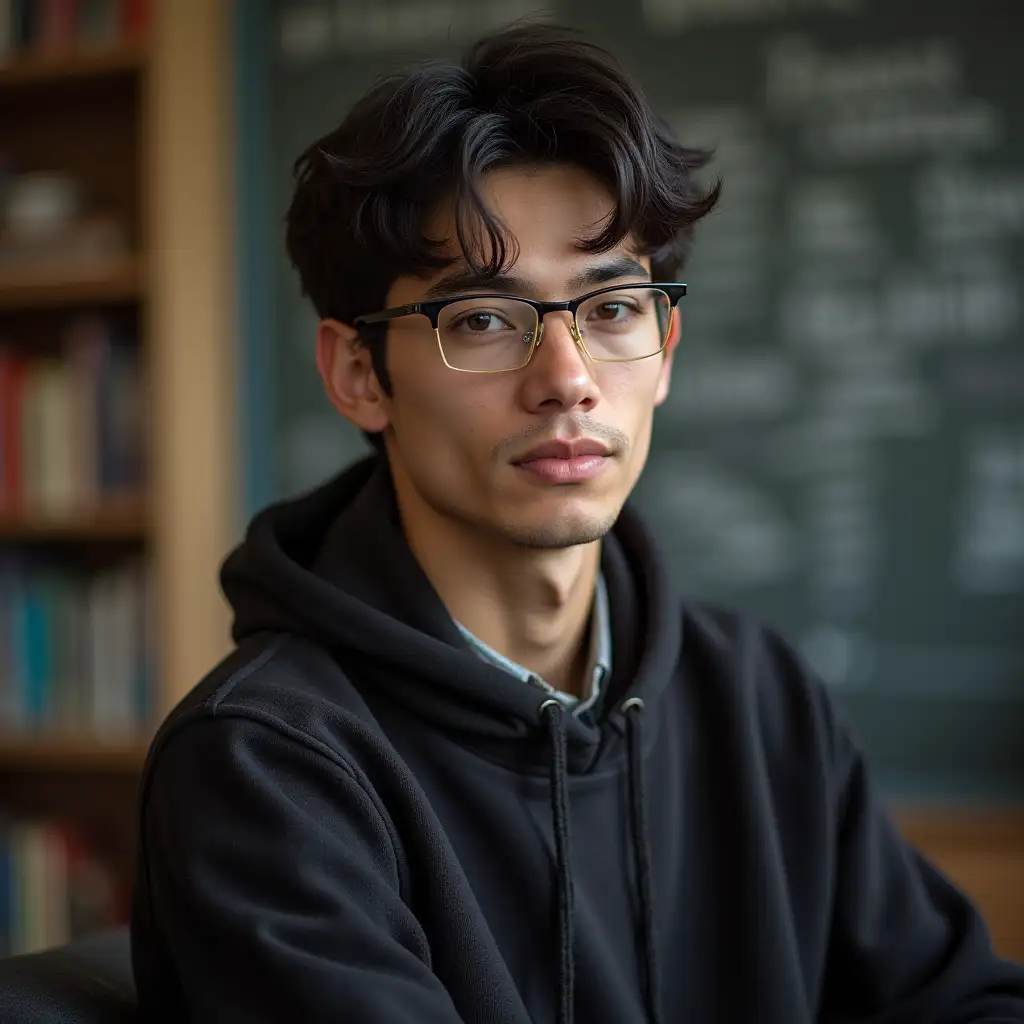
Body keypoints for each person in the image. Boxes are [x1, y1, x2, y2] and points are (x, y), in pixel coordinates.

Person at [130, 21, 1024, 1024]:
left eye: (610, 312)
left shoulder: (758, 698)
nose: (566, 381)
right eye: (480, 319)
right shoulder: (266, 763)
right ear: (356, 373)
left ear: (667, 345)